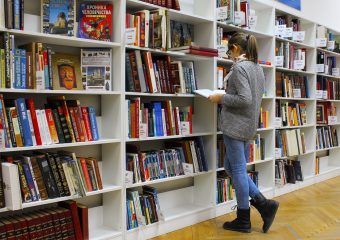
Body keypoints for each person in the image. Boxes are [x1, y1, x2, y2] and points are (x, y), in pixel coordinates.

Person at [208, 32, 279, 233]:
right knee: (230, 166)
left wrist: (221, 98)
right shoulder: (257, 67)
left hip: (235, 126)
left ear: (236, 49)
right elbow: (255, 97)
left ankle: (244, 219)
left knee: (237, 169)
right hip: (248, 125)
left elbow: (245, 99)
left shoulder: (239, 68)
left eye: (229, 51)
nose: (228, 55)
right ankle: (263, 203)